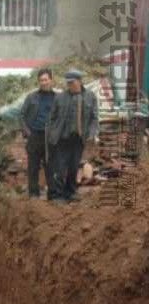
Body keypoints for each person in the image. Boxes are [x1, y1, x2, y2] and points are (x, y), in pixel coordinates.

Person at [47, 70, 99, 204]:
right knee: (60, 168)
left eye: (72, 82)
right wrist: (53, 134)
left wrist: (92, 134)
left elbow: (94, 118)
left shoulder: (90, 97)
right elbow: (52, 118)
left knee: (73, 167)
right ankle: (58, 195)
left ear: (80, 81)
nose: (70, 85)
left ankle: (70, 192)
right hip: (63, 139)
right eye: (68, 83)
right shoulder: (60, 97)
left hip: (79, 139)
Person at [20, 68, 57, 199]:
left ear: (51, 80)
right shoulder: (32, 97)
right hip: (34, 135)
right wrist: (27, 133)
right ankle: (34, 195)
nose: (43, 82)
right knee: (33, 167)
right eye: (41, 80)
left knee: (51, 166)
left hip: (50, 137)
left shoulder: (57, 98)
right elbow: (22, 115)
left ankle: (53, 194)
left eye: (46, 79)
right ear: (38, 82)